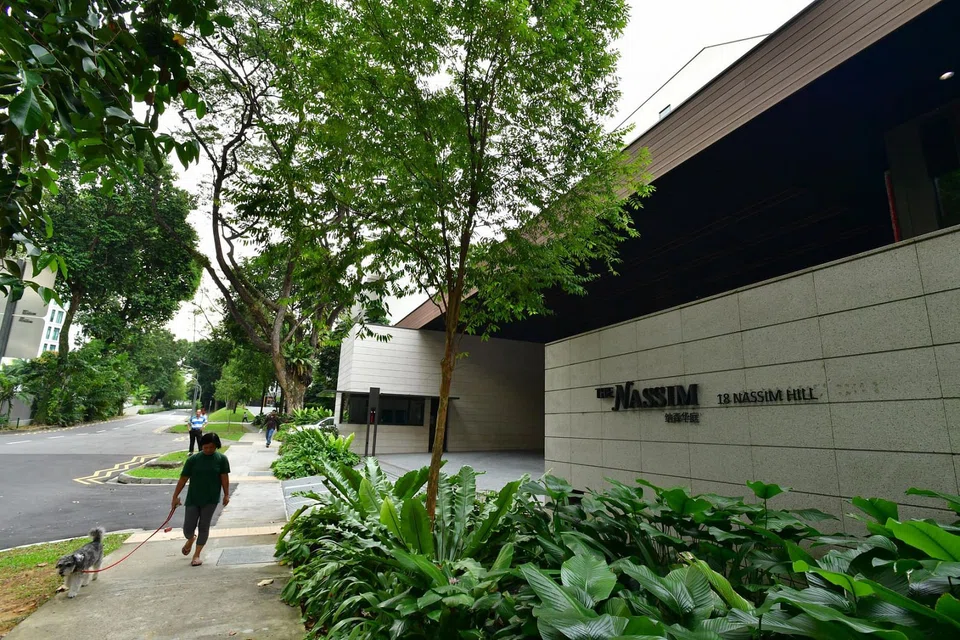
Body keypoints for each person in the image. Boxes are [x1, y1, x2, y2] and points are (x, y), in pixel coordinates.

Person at [171, 432, 229, 567]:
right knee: (188, 528)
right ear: (201, 446)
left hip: (211, 498)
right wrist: (175, 497)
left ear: (216, 446)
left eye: (211, 447)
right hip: (193, 497)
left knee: (204, 525)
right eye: (205, 447)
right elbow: (183, 478)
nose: (208, 450)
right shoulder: (193, 460)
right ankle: (191, 539)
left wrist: (226, 494)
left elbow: (224, 478)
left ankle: (196, 555)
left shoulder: (221, 459)